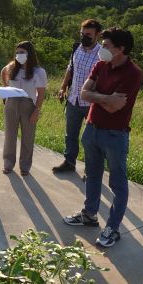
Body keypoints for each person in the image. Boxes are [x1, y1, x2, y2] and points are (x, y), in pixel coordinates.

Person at [63, 27, 142, 248]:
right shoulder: (100, 65)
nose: (102, 48)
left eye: (106, 45)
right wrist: (106, 97)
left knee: (118, 183)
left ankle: (113, 228)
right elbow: (83, 93)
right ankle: (89, 215)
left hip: (115, 134)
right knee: (92, 175)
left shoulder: (133, 73)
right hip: (92, 128)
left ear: (121, 49)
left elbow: (115, 107)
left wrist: (96, 97)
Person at [53, 19, 103, 173]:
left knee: (90, 140)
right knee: (70, 135)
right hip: (73, 99)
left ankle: (91, 170)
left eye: (88, 34)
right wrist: (63, 88)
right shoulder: (77, 48)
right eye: (82, 34)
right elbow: (70, 68)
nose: (84, 37)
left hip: (91, 103)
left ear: (97, 35)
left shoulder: (102, 54)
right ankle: (69, 162)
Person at [0, 41, 47, 176]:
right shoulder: (12, 67)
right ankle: (8, 163)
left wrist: (36, 111)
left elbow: (41, 94)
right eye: (17, 52)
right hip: (11, 102)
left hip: (28, 104)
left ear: (29, 53)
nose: (19, 55)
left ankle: (25, 166)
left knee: (28, 137)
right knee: (10, 136)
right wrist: (5, 89)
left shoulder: (38, 71)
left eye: (22, 52)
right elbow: (3, 72)